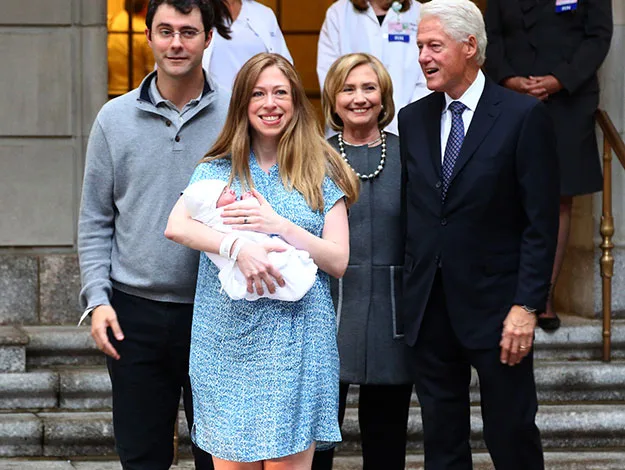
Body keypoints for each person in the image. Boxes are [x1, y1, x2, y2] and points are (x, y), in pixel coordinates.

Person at [165, 52, 359, 469]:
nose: (270, 103)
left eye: (280, 93)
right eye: (258, 94)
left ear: (295, 101)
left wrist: (279, 225)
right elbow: (176, 226)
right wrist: (237, 247)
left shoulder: (320, 169)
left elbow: (338, 260)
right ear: (242, 103)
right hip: (226, 343)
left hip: (297, 341)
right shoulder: (218, 169)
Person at [399, 0, 559, 468]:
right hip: (430, 307)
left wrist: (527, 305)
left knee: (511, 435)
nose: (423, 57)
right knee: (441, 443)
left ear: (469, 46)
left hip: (499, 309)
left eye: (434, 46)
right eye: (420, 46)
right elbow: (414, 213)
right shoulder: (412, 118)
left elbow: (540, 223)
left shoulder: (521, 116)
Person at [78, 0, 231, 468]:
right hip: (134, 313)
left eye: (188, 32)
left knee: (221, 457)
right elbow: (95, 218)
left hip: (220, 311)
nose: (176, 43)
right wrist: (98, 300)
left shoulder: (236, 115)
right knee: (141, 457)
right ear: (148, 37)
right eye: (165, 31)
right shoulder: (113, 119)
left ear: (208, 38)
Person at [484, 0, 613, 331]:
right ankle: (505, 291)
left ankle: (541, 295)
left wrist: (559, 79)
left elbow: (598, 36)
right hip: (510, 97)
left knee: (558, 197)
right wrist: (508, 79)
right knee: (502, 192)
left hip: (568, 99)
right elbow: (490, 35)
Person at [312, 53, 412, 470]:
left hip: (393, 312)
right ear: (333, 100)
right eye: (347, 89)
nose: (359, 98)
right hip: (324, 312)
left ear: (384, 97)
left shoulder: (410, 154)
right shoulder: (312, 157)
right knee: (314, 446)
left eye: (369, 88)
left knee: (386, 443)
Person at [182, 179, 318, 301]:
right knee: (275, 266)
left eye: (227, 188)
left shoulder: (212, 218)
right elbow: (250, 217)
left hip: (258, 251)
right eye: (224, 192)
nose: (231, 190)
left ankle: (294, 279)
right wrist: (249, 201)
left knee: (278, 267)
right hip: (248, 256)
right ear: (211, 205)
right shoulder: (218, 217)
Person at [317, 0, 429, 135]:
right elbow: (330, 80)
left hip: (411, 127)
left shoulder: (420, 13)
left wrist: (406, 119)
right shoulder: (338, 13)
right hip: (349, 130)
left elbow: (427, 78)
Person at [202, 0, 293, 91]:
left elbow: (284, 65)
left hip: (258, 97)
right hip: (213, 97)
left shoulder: (263, 13)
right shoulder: (200, 9)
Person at [108, 0, 155, 97]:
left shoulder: (112, 23)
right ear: (145, 7)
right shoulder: (143, 32)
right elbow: (153, 69)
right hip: (136, 92)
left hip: (110, 90)